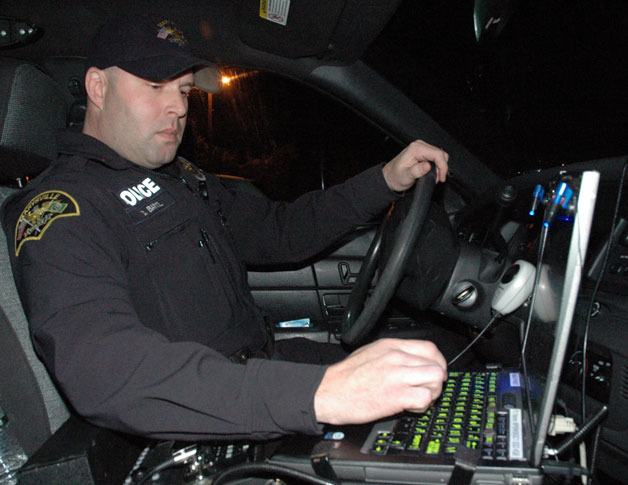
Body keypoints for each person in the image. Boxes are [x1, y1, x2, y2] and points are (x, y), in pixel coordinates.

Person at [2, 15, 450, 441]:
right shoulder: (61, 208)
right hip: (203, 421)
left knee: (438, 383)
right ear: (98, 87)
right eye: (155, 86)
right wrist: (321, 394)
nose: (178, 107)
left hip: (258, 374)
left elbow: (280, 231)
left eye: (184, 90)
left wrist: (385, 180)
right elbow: (104, 368)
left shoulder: (183, 178)